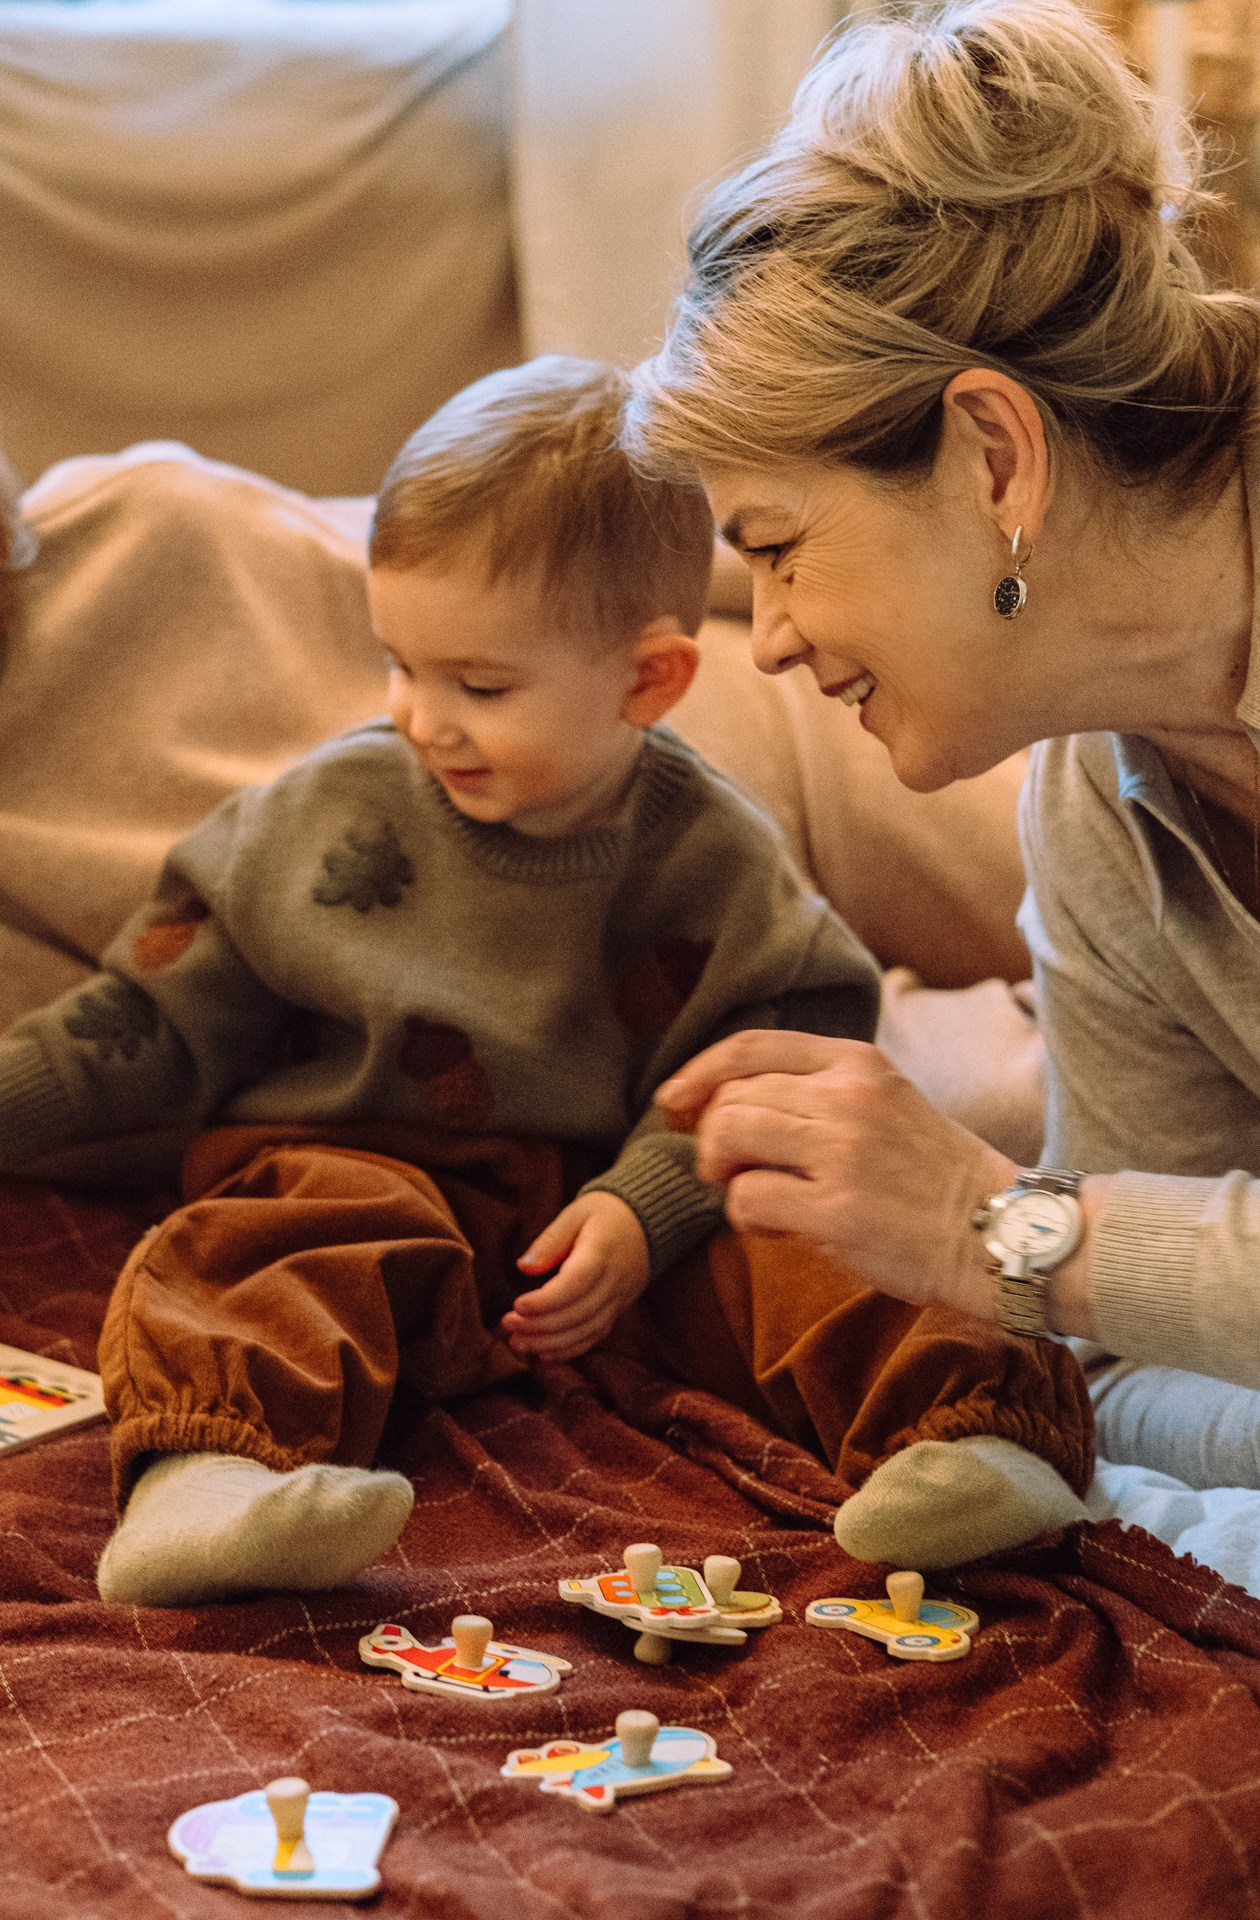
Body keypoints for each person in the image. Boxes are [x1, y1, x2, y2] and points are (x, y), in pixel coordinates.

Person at [0, 356, 1090, 1605]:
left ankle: (968, 1441)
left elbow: (765, 1064)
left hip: (619, 1201)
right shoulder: (316, 819)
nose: (421, 719)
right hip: (367, 1162)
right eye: (399, 665)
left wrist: (642, 1209)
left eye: (480, 685)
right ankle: (212, 1477)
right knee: (254, 1247)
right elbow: (140, 1026)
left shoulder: (712, 851)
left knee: (825, 1232)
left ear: (648, 680)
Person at [622, 0, 1260, 1493]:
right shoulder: (1100, 797)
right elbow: (1118, 1359)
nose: (772, 635)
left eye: (779, 547)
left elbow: (1066, 1271)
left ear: (995, 455)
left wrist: (1001, 1229)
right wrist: (1055, 1264)